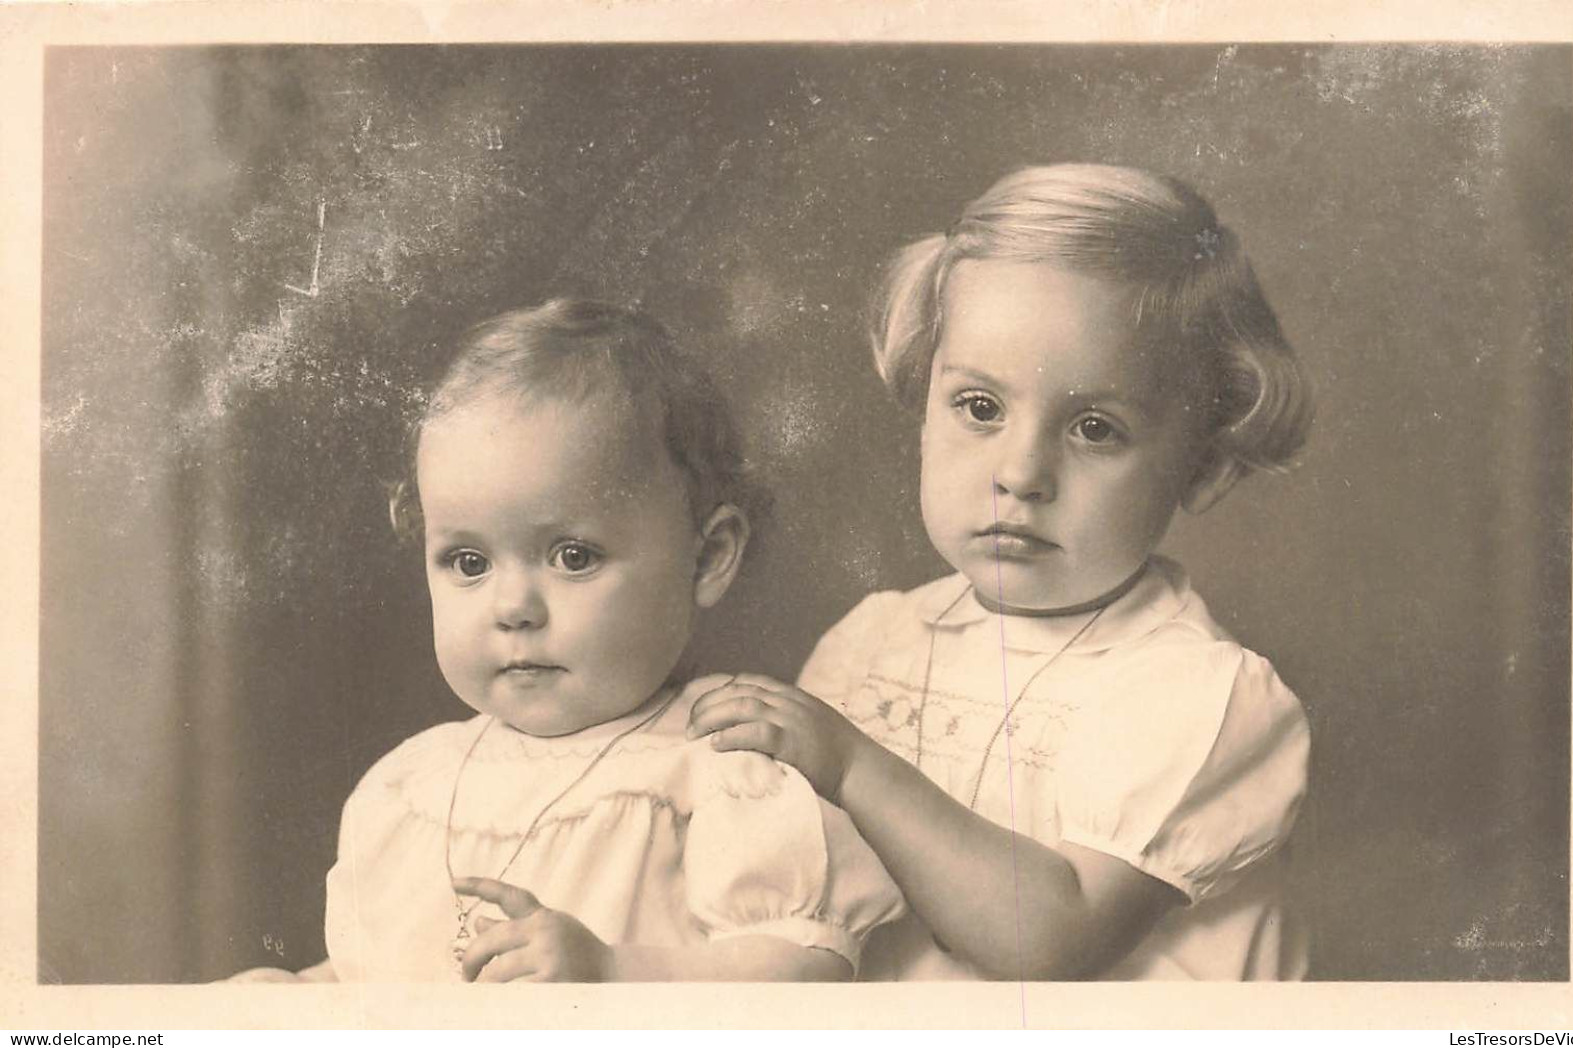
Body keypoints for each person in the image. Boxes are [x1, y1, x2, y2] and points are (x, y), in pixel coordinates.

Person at [688, 163, 1315, 980]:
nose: (1020, 472)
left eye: (1093, 428)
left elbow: (1048, 939)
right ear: (924, 404)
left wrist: (849, 765)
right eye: (979, 408)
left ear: (1202, 468)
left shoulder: (1200, 692)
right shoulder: (874, 639)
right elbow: (805, 924)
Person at [232, 298, 901, 982]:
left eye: (572, 556)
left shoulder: (720, 770)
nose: (513, 607)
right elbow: (383, 976)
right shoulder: (408, 788)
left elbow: (803, 975)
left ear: (706, 558)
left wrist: (616, 975)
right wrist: (299, 992)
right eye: (469, 563)